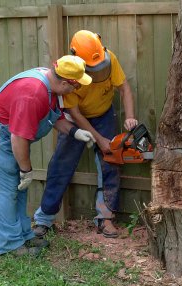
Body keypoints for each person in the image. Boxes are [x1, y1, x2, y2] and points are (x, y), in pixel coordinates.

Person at [0, 55, 95, 256]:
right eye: (76, 86)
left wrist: (75, 132)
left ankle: (23, 236)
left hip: (7, 134)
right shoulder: (33, 92)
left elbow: (51, 117)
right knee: (4, 190)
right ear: (65, 82)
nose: (77, 90)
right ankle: (9, 245)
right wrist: (26, 170)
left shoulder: (50, 86)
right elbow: (18, 138)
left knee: (19, 189)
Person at [34, 30, 138, 238]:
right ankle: (43, 220)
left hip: (103, 115)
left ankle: (105, 218)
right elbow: (74, 112)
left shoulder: (110, 59)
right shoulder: (70, 74)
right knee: (61, 164)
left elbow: (124, 88)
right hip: (76, 119)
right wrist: (99, 140)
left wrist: (130, 116)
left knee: (110, 162)